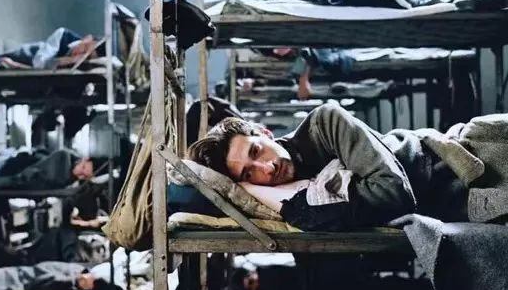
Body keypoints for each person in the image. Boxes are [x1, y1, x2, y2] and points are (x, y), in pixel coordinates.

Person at [188, 102, 508, 230]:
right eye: (249, 173)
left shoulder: (324, 123)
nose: (266, 168)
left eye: (256, 151)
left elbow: (394, 193)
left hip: (474, 157)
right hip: (455, 204)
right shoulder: (285, 191)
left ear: (265, 132)